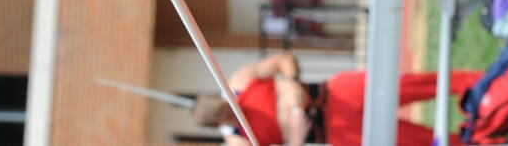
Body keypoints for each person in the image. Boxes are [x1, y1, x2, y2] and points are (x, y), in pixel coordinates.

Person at [192, 50, 486, 146]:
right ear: (219, 124)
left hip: (336, 93)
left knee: (419, 84)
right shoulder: (237, 140)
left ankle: (486, 81)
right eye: (226, 116)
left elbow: (284, 58)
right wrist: (295, 138)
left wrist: (291, 81)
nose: (233, 112)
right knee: (417, 140)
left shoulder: (240, 82)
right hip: (337, 131)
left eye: (227, 106)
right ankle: (485, 139)